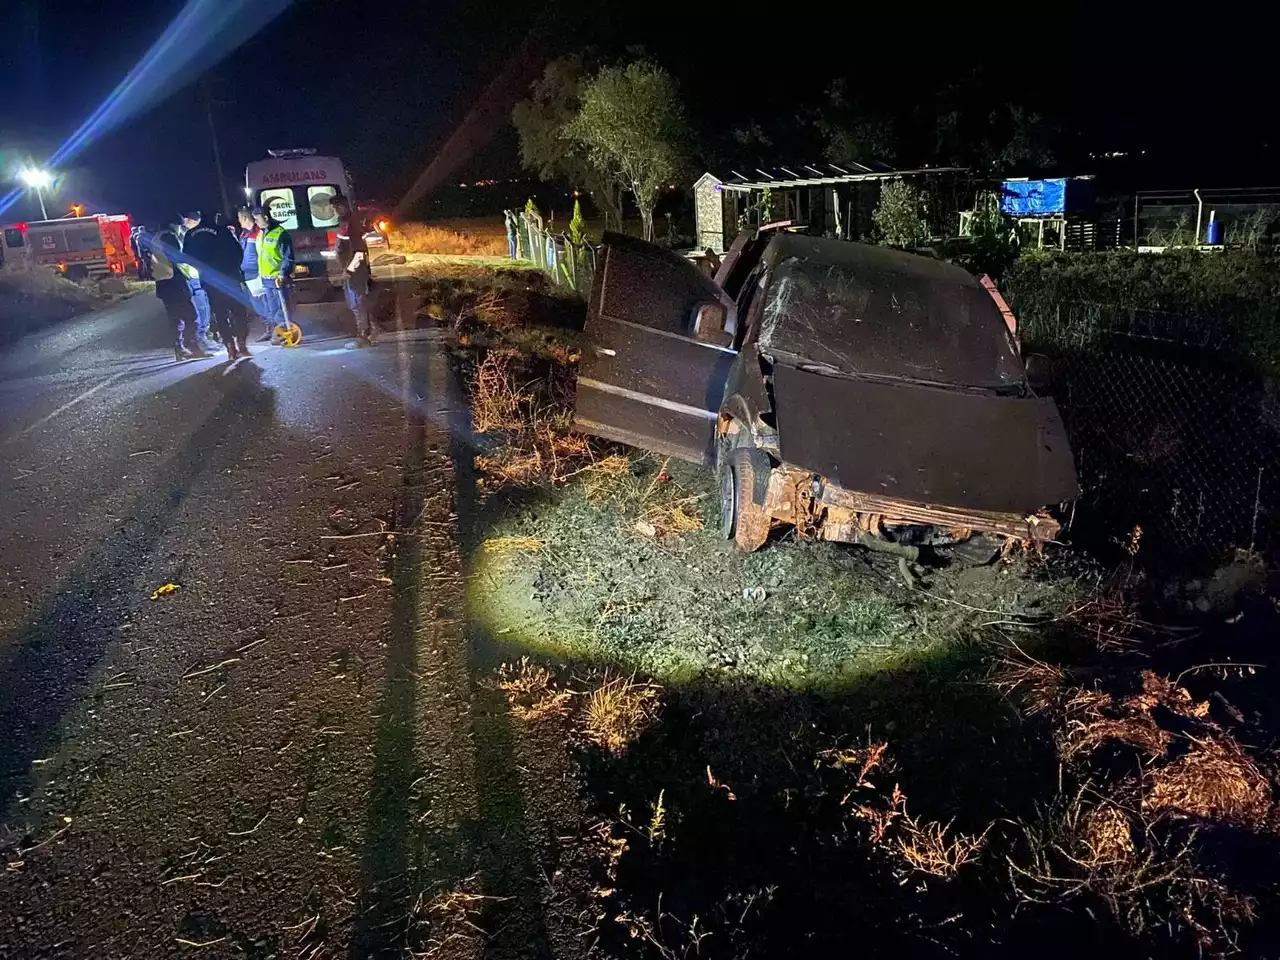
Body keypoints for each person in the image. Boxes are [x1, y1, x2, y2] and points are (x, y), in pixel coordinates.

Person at [180, 210, 251, 360]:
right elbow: (238, 252)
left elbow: (186, 257)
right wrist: (234, 269)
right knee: (239, 312)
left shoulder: (191, 235)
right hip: (230, 278)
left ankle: (230, 348)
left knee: (220, 314)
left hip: (209, 281)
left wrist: (202, 269)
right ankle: (242, 345)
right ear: (215, 217)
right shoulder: (223, 231)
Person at [151, 220, 211, 361]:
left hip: (163, 282)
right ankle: (193, 347)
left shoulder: (157, 237)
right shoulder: (169, 236)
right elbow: (177, 257)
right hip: (174, 282)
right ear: (174, 225)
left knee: (175, 318)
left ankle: (179, 349)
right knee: (191, 316)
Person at [331, 194, 377, 347]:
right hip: (350, 270)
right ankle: (370, 330)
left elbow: (359, 252)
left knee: (357, 304)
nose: (335, 210)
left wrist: (349, 271)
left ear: (344, 206)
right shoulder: (344, 223)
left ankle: (363, 337)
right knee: (356, 303)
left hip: (356, 272)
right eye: (333, 207)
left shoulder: (352, 225)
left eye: (338, 206)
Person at [253, 206, 294, 341]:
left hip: (277, 278)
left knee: (282, 309)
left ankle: (285, 333)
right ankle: (279, 332)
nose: (255, 222)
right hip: (266, 278)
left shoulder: (280, 233)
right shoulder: (261, 233)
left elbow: (288, 257)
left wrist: (282, 274)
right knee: (273, 308)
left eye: (257, 219)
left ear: (265, 217)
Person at [238, 208, 271, 342]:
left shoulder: (258, 233)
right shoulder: (245, 234)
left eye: (239, 218)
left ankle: (272, 328)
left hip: (257, 273)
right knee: (258, 304)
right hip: (248, 274)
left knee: (265, 302)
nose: (239, 221)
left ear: (245, 218)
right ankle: (269, 327)